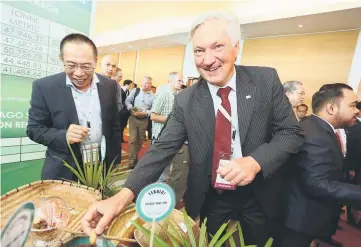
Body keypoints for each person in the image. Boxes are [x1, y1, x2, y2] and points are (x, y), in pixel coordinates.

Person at [82, 12, 304, 246]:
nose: (208, 60)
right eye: (199, 51)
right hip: (211, 196)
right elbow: (161, 150)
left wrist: (255, 161)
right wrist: (119, 199)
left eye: (218, 47)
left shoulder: (265, 81)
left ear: (235, 47)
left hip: (261, 194)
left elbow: (291, 133)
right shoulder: (186, 100)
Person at [26, 33, 121, 181]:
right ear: (61, 59)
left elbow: (114, 124)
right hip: (63, 170)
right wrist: (63, 136)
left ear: (95, 62)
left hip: (100, 167)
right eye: (71, 65)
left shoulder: (109, 85)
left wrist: (114, 160)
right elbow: (34, 129)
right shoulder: (45, 87)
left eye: (86, 66)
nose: (79, 73)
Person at [281, 84, 361, 247]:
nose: (357, 111)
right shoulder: (315, 134)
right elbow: (316, 183)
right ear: (331, 108)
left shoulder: (320, 128)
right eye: (352, 105)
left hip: (307, 218)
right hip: (300, 220)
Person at [151, 72, 188, 204]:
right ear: (170, 81)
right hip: (160, 136)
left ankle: (163, 196)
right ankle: (155, 199)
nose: (181, 82)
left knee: (170, 169)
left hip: (173, 138)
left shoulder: (179, 97)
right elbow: (153, 116)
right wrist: (174, 120)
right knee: (161, 168)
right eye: (179, 80)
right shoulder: (163, 94)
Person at [125, 76, 155, 168]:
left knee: (140, 140)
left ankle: (135, 156)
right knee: (133, 139)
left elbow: (154, 109)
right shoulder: (135, 91)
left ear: (150, 84)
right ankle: (132, 159)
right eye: (144, 82)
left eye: (147, 83)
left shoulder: (153, 96)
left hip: (144, 119)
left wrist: (145, 113)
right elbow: (128, 101)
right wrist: (131, 109)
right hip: (133, 118)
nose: (145, 85)